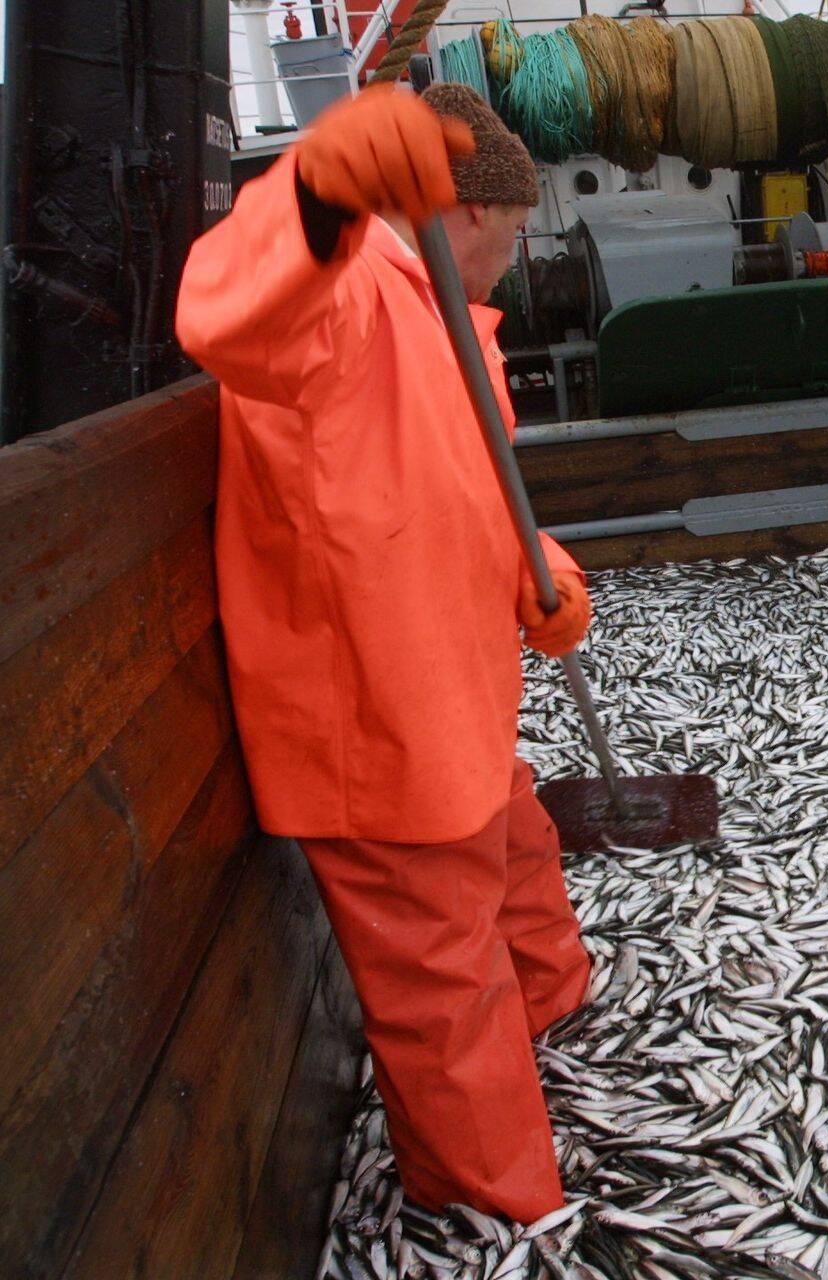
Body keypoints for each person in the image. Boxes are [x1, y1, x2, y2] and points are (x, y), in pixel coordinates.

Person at [176, 83, 595, 1221]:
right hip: (378, 727)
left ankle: (559, 1016)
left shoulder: (456, 323)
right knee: (441, 981)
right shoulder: (346, 290)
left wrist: (541, 570)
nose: (513, 266)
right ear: (464, 214)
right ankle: (499, 1206)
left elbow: (462, 490)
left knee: (521, 851)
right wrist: (312, 187)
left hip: (462, 694)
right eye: (510, 240)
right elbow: (225, 316)